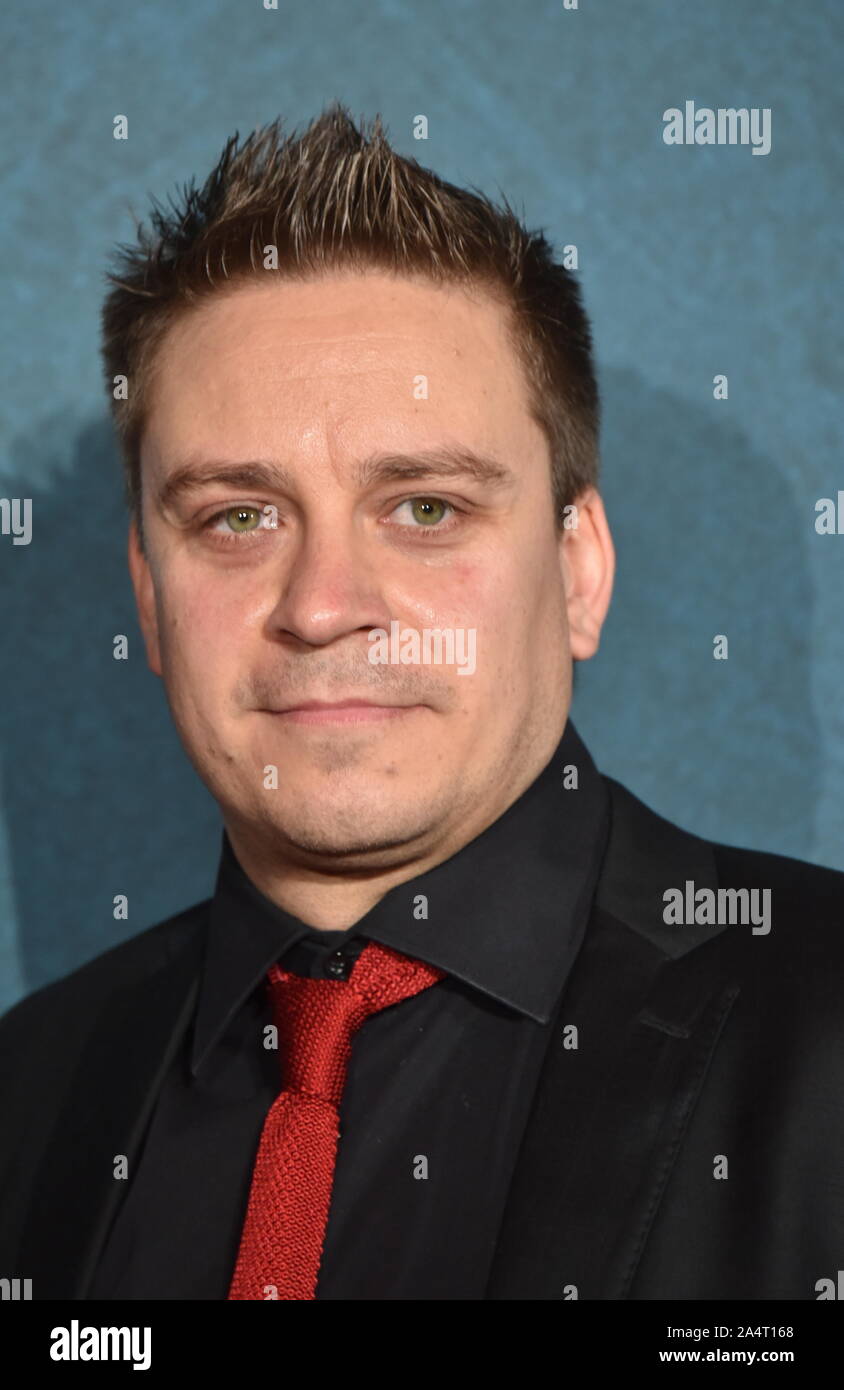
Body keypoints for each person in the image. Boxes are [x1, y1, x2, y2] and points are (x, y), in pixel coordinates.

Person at [1, 103, 841, 1302]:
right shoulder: (31, 1087)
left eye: (427, 507)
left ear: (578, 572)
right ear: (147, 596)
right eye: (239, 517)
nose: (324, 604)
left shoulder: (818, 1028)